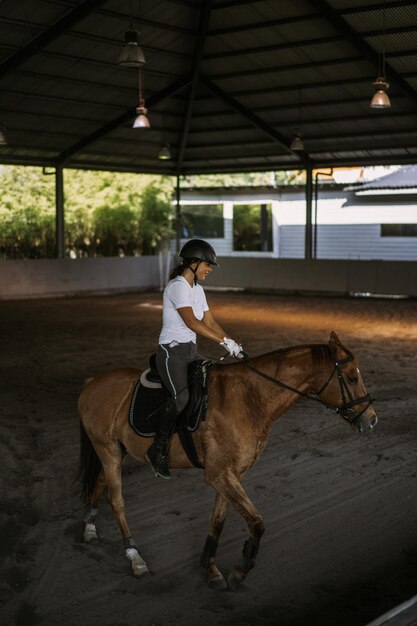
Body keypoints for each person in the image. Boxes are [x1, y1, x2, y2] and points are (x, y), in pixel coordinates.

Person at [145, 238, 244, 479]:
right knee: (181, 397)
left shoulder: (198, 290)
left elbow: (209, 322)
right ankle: (156, 450)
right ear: (193, 263)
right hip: (171, 352)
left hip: (190, 351)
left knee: (212, 384)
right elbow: (192, 322)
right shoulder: (177, 286)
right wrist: (222, 342)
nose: (209, 269)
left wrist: (232, 342)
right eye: (206, 265)